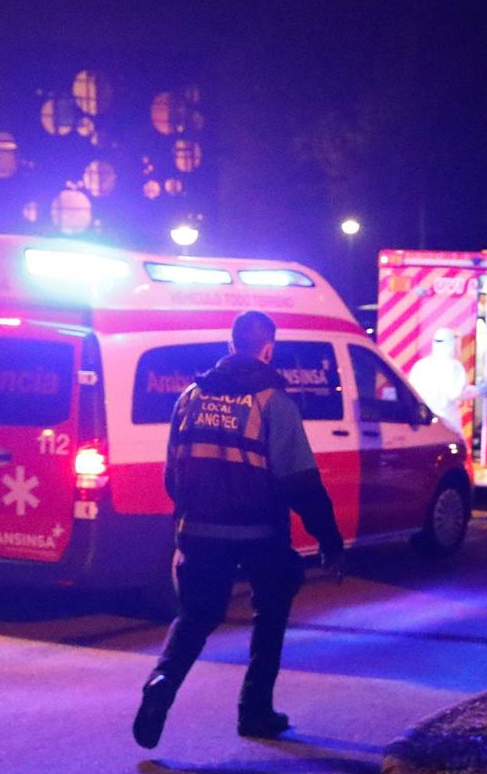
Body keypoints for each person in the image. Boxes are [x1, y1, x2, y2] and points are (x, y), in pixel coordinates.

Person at [132, 310, 345, 747]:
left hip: (199, 531)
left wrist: (186, 526)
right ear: (268, 348)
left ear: (230, 346)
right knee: (270, 612)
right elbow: (301, 481)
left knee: (195, 616)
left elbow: (172, 473)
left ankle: (161, 683)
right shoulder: (274, 403)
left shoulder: (190, 396)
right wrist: (329, 540)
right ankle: (255, 711)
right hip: (260, 534)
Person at [406, 325, 477, 430]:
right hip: (447, 423)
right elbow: (456, 393)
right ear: (452, 344)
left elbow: (411, 392)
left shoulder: (420, 365)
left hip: (421, 421)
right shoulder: (454, 366)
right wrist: (479, 391)